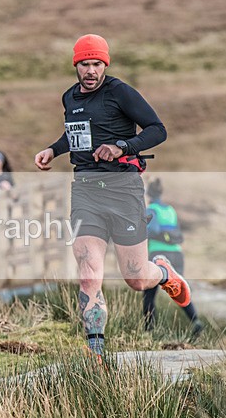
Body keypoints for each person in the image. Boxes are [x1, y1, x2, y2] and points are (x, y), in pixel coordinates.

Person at [33, 34, 192, 359]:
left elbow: (157, 129)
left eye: (97, 64)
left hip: (123, 190)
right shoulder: (69, 97)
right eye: (85, 64)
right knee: (88, 272)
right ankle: (96, 355)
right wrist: (53, 149)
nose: (91, 70)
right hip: (85, 191)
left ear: (105, 64)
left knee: (136, 277)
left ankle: (163, 272)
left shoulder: (119, 92)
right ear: (76, 65)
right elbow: (76, 133)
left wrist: (122, 146)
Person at [143, 179, 203, 336]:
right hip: (176, 254)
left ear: (148, 194)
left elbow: (153, 230)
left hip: (158, 254)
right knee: (180, 289)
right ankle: (196, 321)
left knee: (149, 293)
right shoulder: (170, 210)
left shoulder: (151, 210)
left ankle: (149, 331)